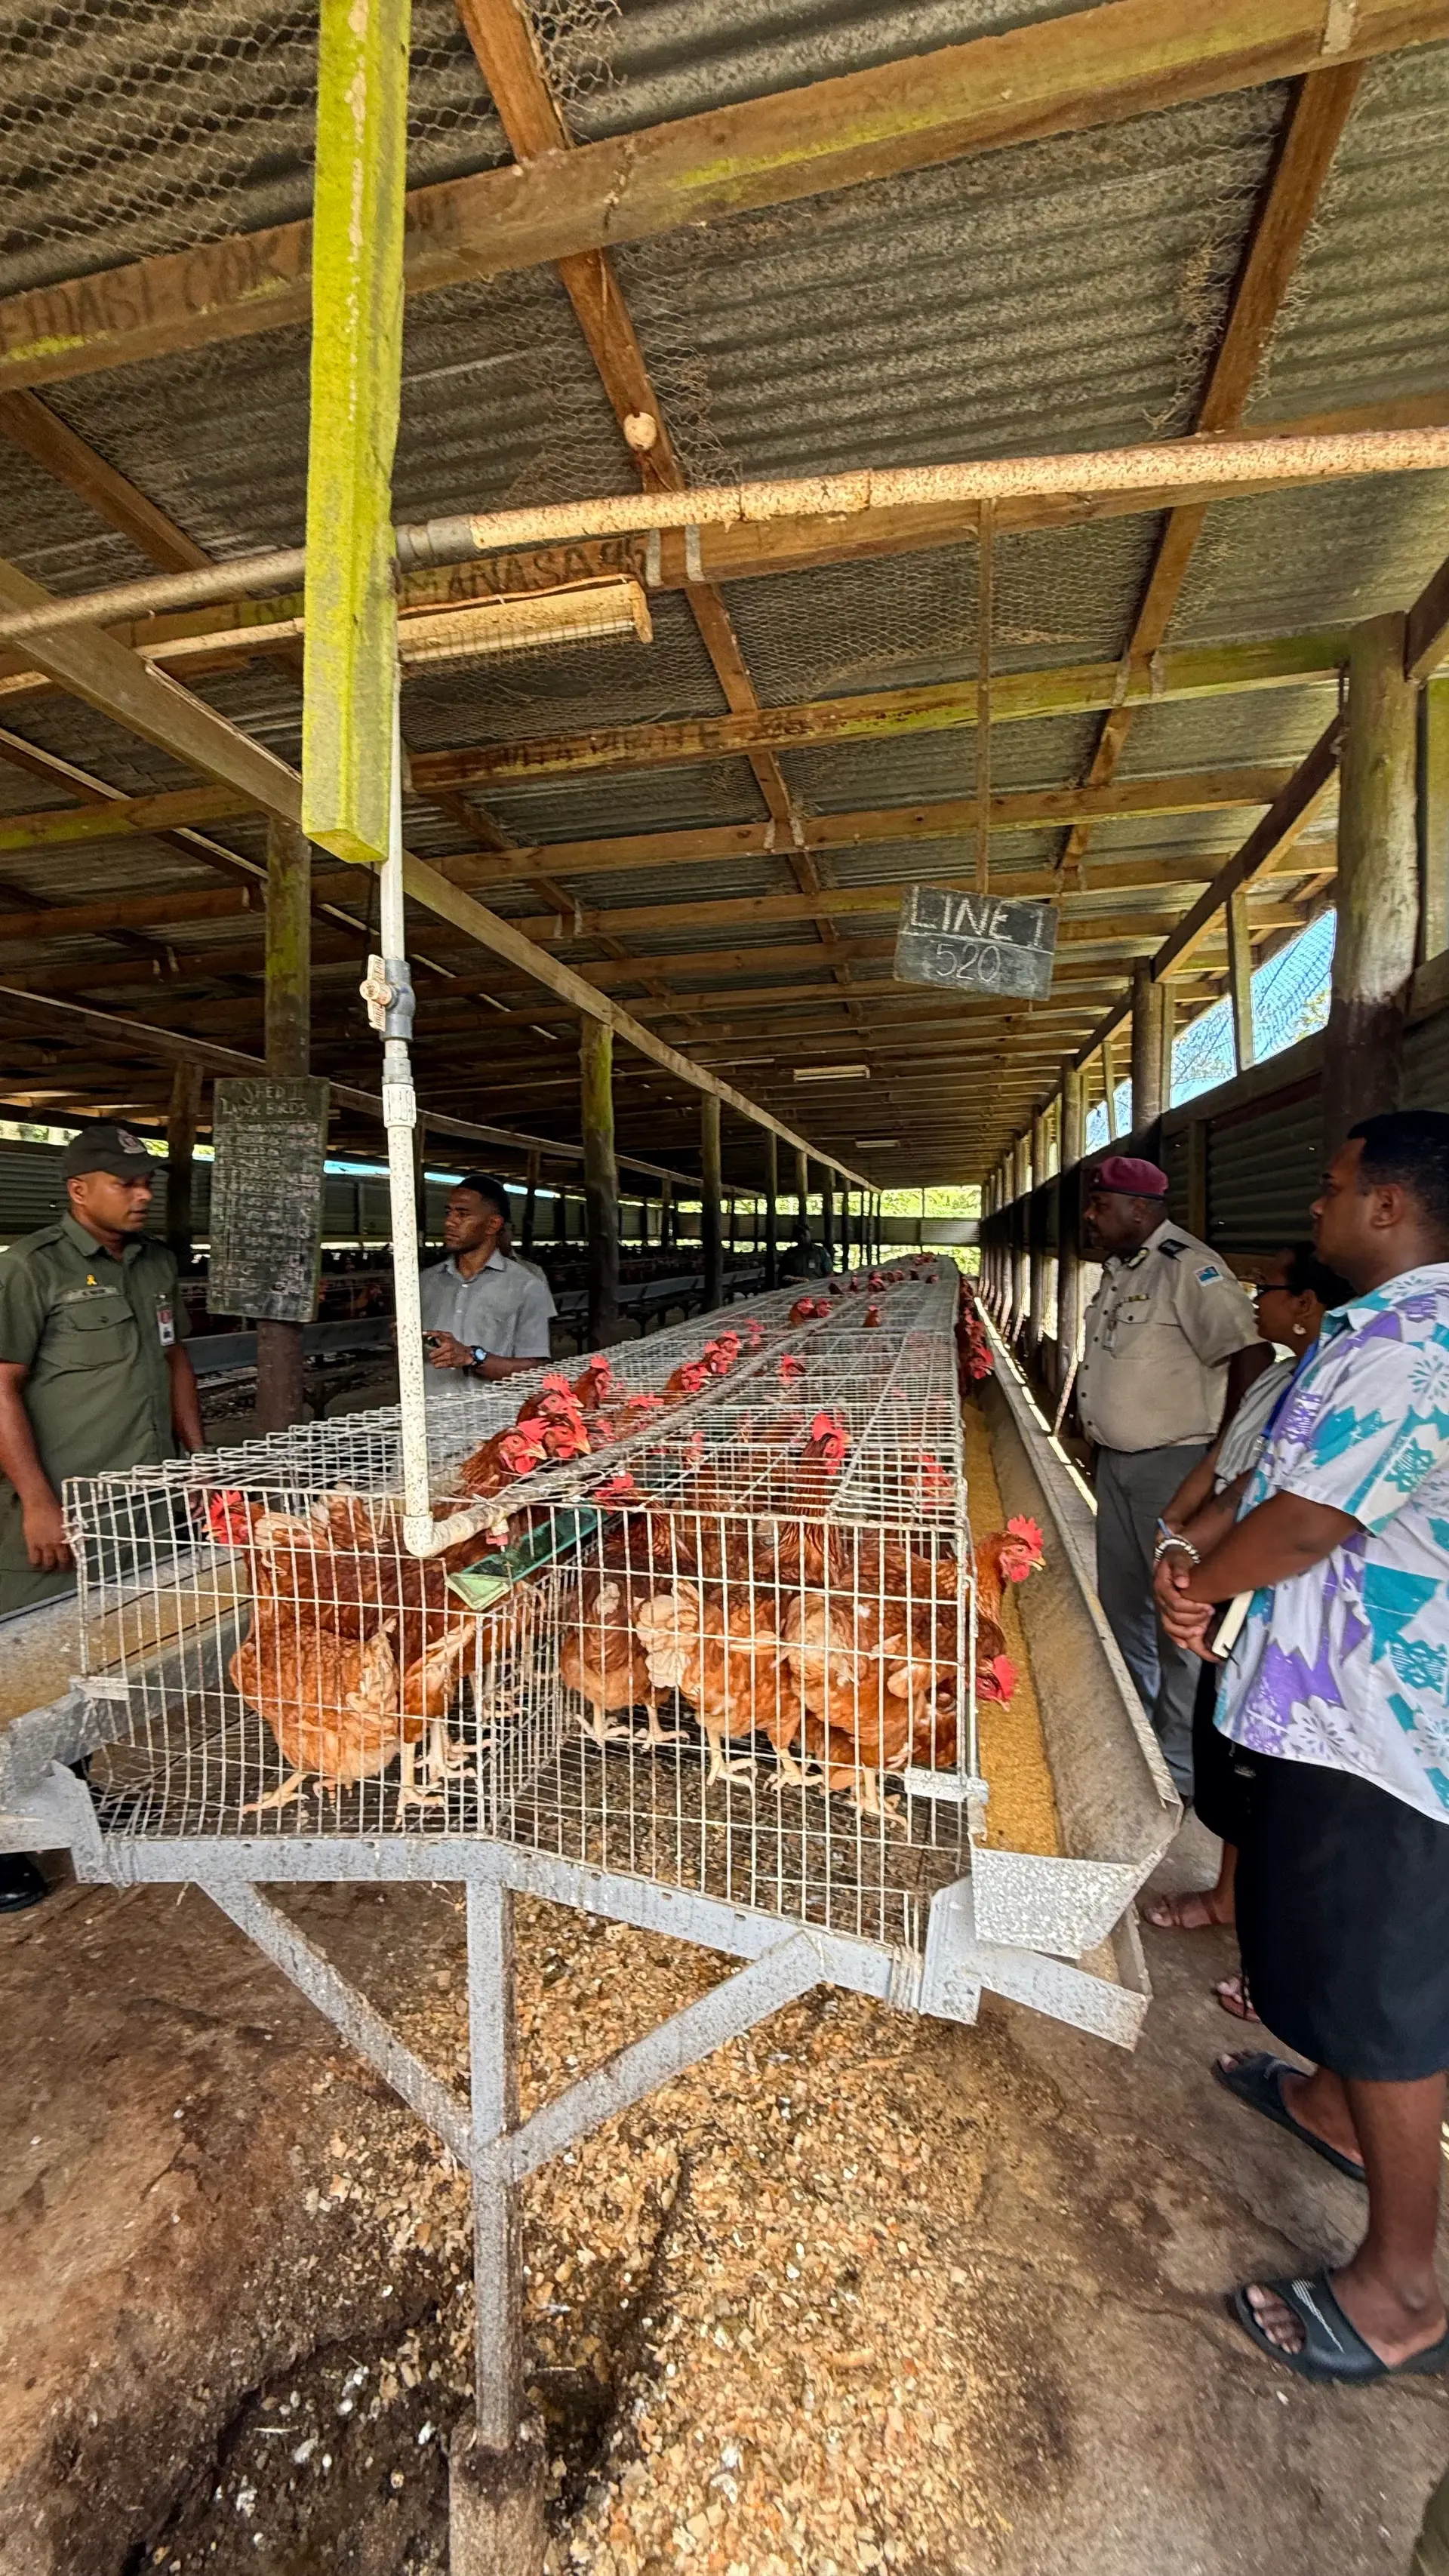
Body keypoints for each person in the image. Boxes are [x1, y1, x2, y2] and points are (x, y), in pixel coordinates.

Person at [1158, 1110, 1449, 2382]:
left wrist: (1204, 1584)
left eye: (1335, 1187)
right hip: (1330, 1701)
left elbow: (1307, 1518)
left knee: (1391, 1992)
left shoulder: (1418, 1342)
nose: (1318, 1208)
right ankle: (1328, 2102)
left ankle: (1403, 2288)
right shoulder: (1370, 1331)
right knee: (1333, 1945)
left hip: (1393, 1722)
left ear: (1391, 1204)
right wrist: (1219, 1575)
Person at [0, 1124, 204, 1913]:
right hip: (57, 1513)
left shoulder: (154, 1265)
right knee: (26, 1672)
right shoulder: (31, 1269)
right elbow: (3, 1386)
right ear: (79, 1188)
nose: (143, 1192)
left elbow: (172, 1358)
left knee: (97, 1662)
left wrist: (195, 1461)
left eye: (146, 1180)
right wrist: (39, 1503)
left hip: (137, 1506)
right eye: (126, 1182)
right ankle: (6, 1834)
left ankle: (74, 1799)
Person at [1143, 1242, 1352, 1984]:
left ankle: (1274, 1965)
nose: (1255, 1297)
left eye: (1268, 1287)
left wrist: (1196, 1572)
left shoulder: (1332, 1389)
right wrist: (1177, 1536)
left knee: (1272, 1782)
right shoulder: (1279, 1376)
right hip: (1234, 1574)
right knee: (1237, 1753)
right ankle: (1233, 1901)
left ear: (1306, 1306)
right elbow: (1232, 1474)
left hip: (1274, 1593)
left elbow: (1270, 1509)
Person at [1076, 1153, 1269, 1796]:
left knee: (1177, 1611)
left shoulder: (1191, 1267)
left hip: (1173, 1466)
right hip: (1118, 1463)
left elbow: (1248, 1351)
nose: (1090, 1215)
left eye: (1101, 1205)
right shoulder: (1118, 1270)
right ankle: (1133, 1740)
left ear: (1140, 1208)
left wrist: (1226, 1456)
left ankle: (1181, 1768)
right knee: (1122, 1604)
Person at [419, 1173, 556, 1379]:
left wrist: (473, 1357)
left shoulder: (528, 1286)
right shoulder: (424, 1282)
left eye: (462, 1214)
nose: (449, 1222)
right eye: (449, 1213)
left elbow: (536, 1370)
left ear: (493, 1225)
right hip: (428, 1409)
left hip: (489, 1411)